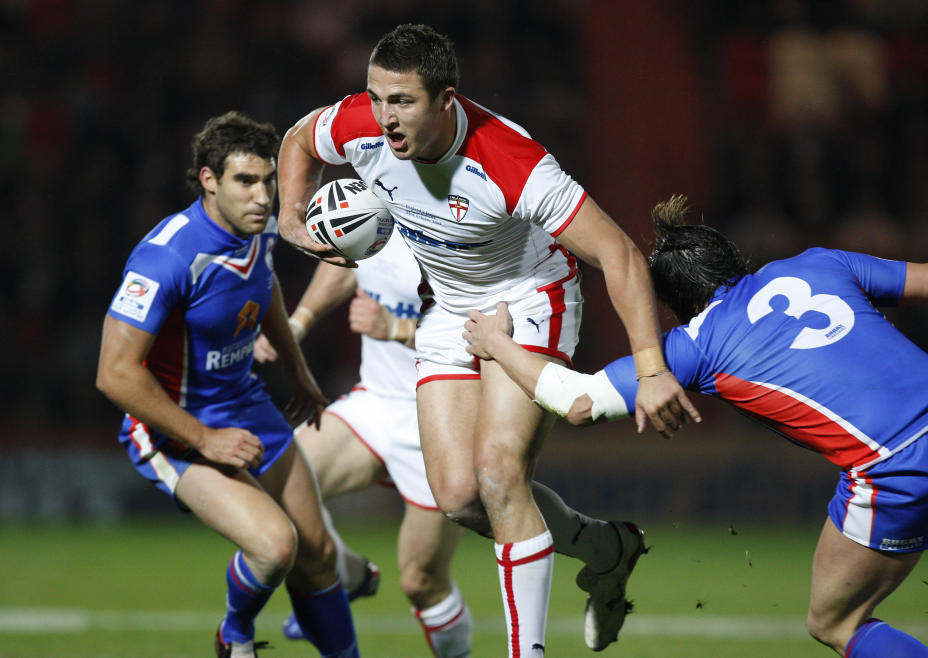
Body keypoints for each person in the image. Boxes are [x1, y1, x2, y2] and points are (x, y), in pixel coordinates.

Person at [275, 23, 701, 656]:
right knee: (457, 497)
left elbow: (618, 254)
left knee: (499, 473)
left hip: (529, 295)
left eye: (404, 102)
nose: (385, 119)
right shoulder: (359, 123)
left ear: (447, 99)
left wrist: (652, 368)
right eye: (376, 98)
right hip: (448, 305)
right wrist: (289, 217)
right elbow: (297, 139)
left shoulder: (509, 161)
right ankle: (608, 552)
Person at [462, 194, 928, 658]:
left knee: (835, 622)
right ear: (733, 260)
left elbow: (577, 402)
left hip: (895, 464)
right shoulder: (818, 262)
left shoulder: (694, 343)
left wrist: (497, 344)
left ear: (677, 305)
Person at [95, 112, 359, 658]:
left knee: (319, 555)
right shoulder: (167, 256)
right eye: (245, 181)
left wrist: (297, 369)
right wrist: (203, 437)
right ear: (209, 179)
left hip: (246, 403)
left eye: (268, 181)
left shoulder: (258, 229)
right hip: (172, 426)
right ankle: (233, 635)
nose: (262, 196)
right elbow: (114, 373)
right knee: (275, 547)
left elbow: (266, 290)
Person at [254, 230, 474, 657]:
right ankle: (349, 575)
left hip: (441, 420)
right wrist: (297, 325)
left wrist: (397, 328)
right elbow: (346, 265)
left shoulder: (464, 219)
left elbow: (488, 332)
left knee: (421, 582)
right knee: (276, 486)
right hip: (375, 401)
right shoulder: (376, 201)